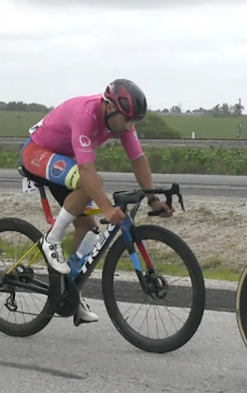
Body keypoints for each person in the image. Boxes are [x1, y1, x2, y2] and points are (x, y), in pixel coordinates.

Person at [19, 78, 172, 325]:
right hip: (37, 153)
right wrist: (107, 208)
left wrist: (153, 198)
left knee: (89, 229)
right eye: (127, 120)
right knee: (89, 182)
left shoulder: (120, 121)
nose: (129, 126)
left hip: (64, 161)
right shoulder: (85, 114)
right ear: (110, 107)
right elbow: (86, 170)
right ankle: (51, 240)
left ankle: (69, 292)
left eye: (133, 121)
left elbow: (138, 160)